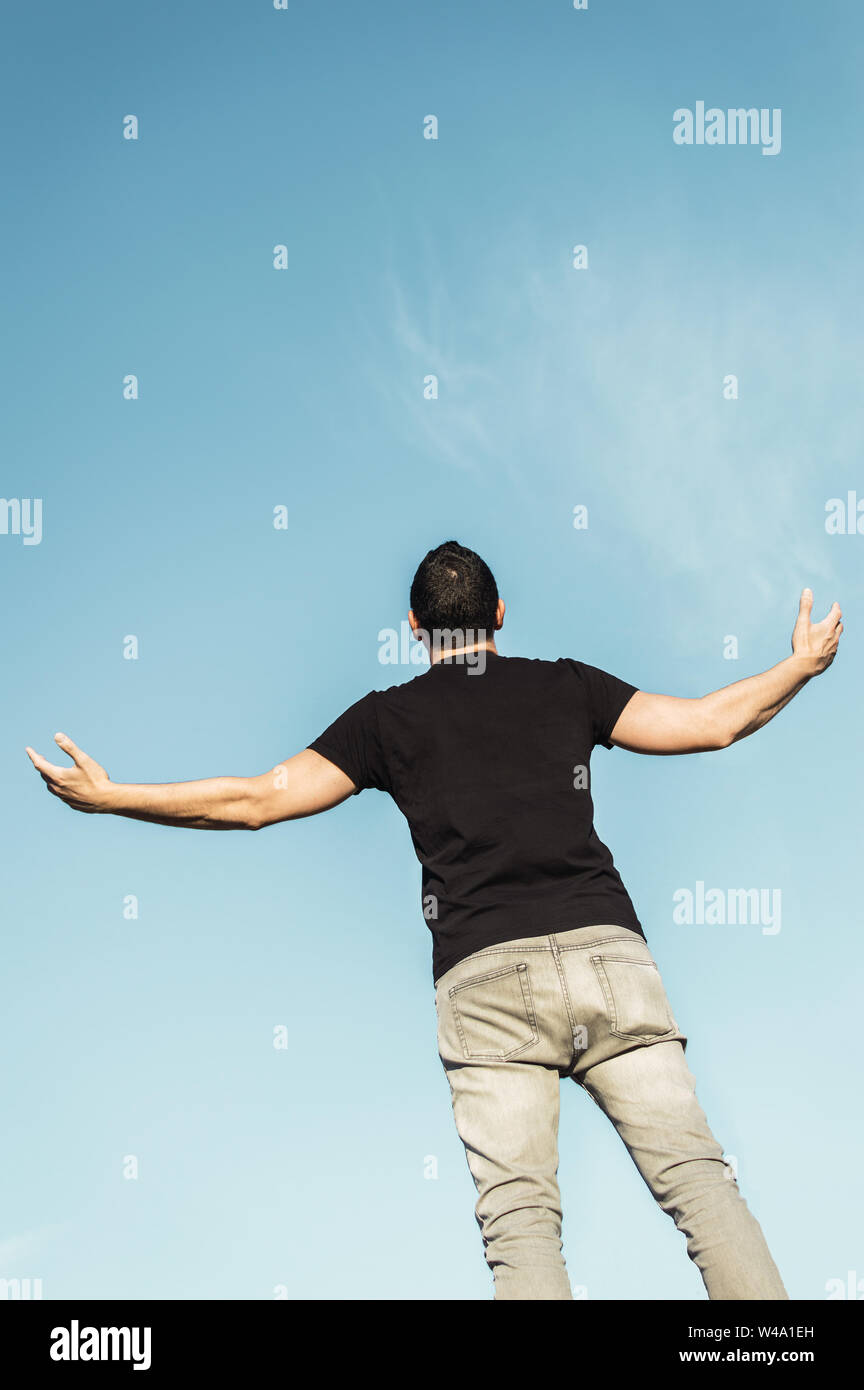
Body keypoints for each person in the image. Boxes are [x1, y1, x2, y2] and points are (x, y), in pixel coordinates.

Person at [26, 541, 843, 1301]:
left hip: (484, 982)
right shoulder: (567, 685)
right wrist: (799, 666)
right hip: (608, 959)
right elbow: (713, 722)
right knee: (699, 1183)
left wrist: (114, 797)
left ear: (413, 629)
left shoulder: (387, 720)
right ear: (498, 615)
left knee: (522, 1227)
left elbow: (255, 802)